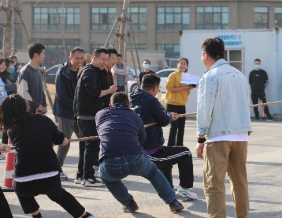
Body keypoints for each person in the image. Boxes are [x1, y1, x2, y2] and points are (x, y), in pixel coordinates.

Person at [1, 95, 93, 218]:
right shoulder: (43, 120)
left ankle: (36, 216)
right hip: (49, 173)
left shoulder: (11, 130)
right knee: (58, 194)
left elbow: (26, 141)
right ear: (26, 106)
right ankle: (85, 215)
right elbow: (61, 140)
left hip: (24, 178)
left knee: (20, 191)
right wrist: (60, 141)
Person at [97, 92, 184, 213]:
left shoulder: (100, 114)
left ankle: (129, 203)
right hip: (135, 158)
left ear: (110, 104)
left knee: (106, 177)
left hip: (110, 161)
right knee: (153, 173)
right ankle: (172, 202)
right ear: (128, 104)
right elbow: (142, 139)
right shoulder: (134, 115)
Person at [196, 37, 252, 218]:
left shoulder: (210, 76)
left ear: (205, 54)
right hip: (241, 134)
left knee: (214, 184)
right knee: (240, 182)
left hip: (219, 135)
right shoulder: (239, 74)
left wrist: (200, 138)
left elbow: (205, 109)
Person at [131, 74, 198, 201]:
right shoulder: (151, 100)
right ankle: (184, 189)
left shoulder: (135, 98)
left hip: (144, 148)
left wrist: (167, 115)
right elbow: (163, 120)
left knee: (167, 162)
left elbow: (157, 115)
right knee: (185, 152)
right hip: (150, 151)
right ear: (155, 88)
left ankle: (169, 193)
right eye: (159, 88)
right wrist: (170, 117)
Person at [73, 48, 116, 187]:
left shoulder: (98, 71)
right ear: (94, 58)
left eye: (106, 60)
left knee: (85, 146)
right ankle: (88, 177)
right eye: (103, 60)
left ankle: (81, 175)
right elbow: (93, 92)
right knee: (91, 145)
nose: (105, 62)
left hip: (91, 113)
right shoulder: (89, 71)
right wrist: (109, 91)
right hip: (87, 114)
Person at [54, 47, 85, 182]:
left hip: (79, 112)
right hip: (65, 112)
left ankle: (83, 170)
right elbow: (62, 96)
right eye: (77, 58)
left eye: (81, 58)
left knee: (84, 140)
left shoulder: (83, 71)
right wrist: (77, 106)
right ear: (70, 58)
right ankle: (57, 170)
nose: (79, 61)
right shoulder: (62, 72)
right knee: (64, 141)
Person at [165, 57, 194, 146]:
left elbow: (187, 93)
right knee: (174, 127)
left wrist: (189, 88)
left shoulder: (187, 77)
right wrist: (183, 88)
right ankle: (170, 146)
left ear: (187, 66)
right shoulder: (173, 75)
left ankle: (180, 146)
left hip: (182, 104)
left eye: (184, 64)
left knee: (181, 127)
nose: (182, 65)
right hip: (172, 103)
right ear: (177, 65)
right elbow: (169, 88)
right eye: (181, 63)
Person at [17, 43, 47, 114]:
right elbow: (23, 93)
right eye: (43, 54)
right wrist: (37, 106)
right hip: (27, 113)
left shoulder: (39, 71)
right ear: (36, 55)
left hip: (38, 112)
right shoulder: (25, 71)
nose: (44, 56)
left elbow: (43, 90)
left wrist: (43, 106)